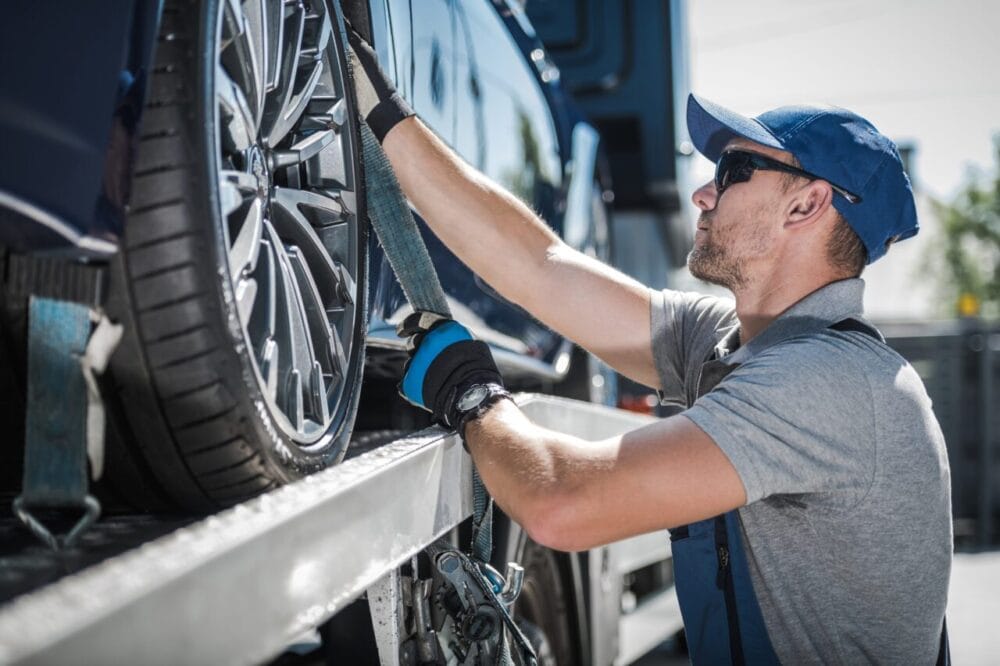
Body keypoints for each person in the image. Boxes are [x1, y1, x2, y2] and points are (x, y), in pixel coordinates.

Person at [348, 27, 951, 665]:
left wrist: (472, 395)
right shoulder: (740, 343)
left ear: (806, 206)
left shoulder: (831, 385)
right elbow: (541, 267)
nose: (703, 192)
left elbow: (562, 503)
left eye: (734, 172)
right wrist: (387, 118)